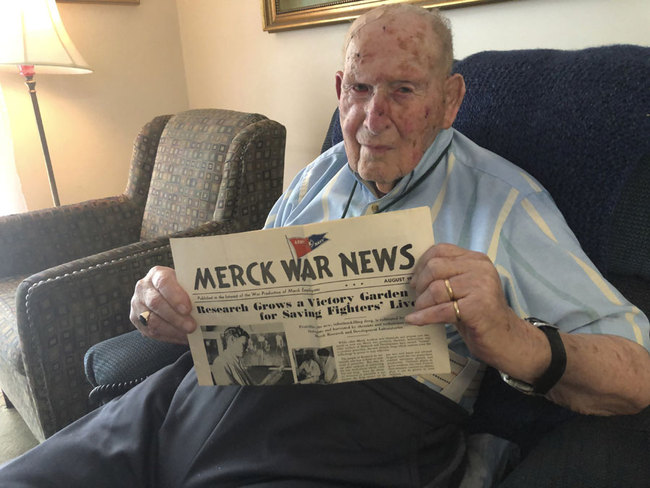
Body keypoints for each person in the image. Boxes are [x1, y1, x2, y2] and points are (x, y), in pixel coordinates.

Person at [1, 4, 648, 487]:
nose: (373, 117)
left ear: (450, 101)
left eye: (403, 90)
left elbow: (639, 373)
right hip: (178, 399)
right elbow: (240, 308)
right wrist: (172, 310)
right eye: (360, 89)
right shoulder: (319, 173)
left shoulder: (505, 201)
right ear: (339, 90)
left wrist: (517, 337)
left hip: (347, 432)